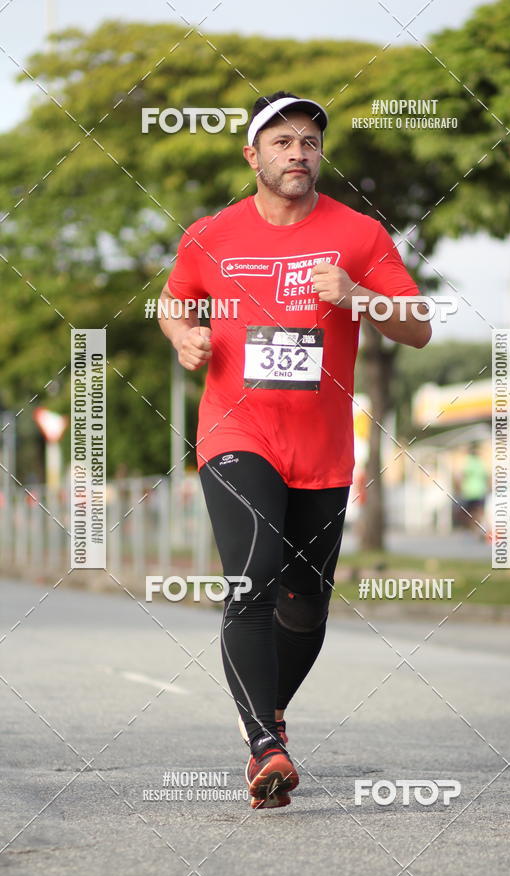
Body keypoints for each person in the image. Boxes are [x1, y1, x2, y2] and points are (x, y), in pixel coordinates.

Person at [158, 91, 431, 809]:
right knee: (253, 579)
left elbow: (418, 326)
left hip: (322, 447)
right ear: (252, 155)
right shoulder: (212, 234)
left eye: (309, 141)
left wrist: (358, 297)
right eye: (281, 142)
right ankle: (264, 747)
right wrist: (183, 335)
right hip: (236, 432)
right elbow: (174, 299)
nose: (298, 153)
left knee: (306, 605)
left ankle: (270, 712)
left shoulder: (359, 234)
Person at [460, 443, 488, 533]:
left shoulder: (468, 460)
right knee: (477, 510)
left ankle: (474, 527)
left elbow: (463, 474)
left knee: (470, 511)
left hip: (471, 491)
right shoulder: (479, 461)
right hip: (477, 490)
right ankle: (476, 526)